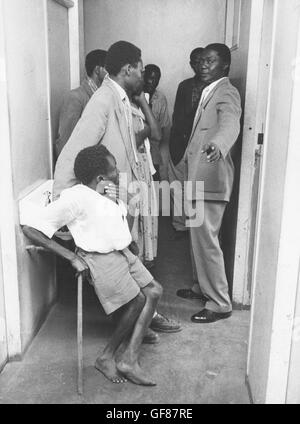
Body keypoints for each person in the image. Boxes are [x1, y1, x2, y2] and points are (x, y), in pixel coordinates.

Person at [53, 40, 181, 334]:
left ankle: (142, 320)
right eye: (141, 68)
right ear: (128, 69)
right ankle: (139, 323)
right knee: (122, 262)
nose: (143, 74)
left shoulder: (120, 97)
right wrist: (66, 201)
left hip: (124, 195)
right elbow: (74, 152)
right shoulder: (103, 100)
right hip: (110, 197)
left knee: (130, 259)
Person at [22, 145, 164, 386]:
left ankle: (129, 355)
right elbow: (31, 228)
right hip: (100, 258)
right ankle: (107, 357)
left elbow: (120, 222)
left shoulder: (106, 192)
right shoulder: (76, 198)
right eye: (114, 169)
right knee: (138, 299)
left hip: (122, 252)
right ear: (100, 176)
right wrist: (70, 257)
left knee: (155, 292)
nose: (118, 171)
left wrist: (127, 230)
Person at [177, 43, 242, 323]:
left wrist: (218, 143)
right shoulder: (208, 91)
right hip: (198, 178)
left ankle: (219, 302)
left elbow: (231, 123)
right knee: (197, 238)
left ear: (224, 66)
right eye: (202, 60)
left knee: (207, 242)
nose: (204, 65)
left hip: (211, 178)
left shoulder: (227, 91)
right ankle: (202, 288)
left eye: (211, 61)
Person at [168, 48, 205, 238]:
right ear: (191, 64)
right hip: (180, 144)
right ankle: (180, 225)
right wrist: (176, 144)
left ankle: (195, 228)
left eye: (203, 61)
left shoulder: (213, 88)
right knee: (178, 187)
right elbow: (177, 117)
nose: (200, 65)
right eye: (196, 62)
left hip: (200, 147)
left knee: (197, 187)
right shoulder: (184, 86)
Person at [55, 49, 107, 158]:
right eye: (108, 69)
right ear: (97, 70)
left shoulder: (102, 96)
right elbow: (65, 141)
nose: (111, 74)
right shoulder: (75, 97)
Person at [143, 64, 170, 181]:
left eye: (155, 79)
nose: (151, 82)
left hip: (154, 152)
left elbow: (164, 132)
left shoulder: (161, 99)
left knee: (156, 184)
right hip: (138, 150)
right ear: (143, 77)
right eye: (149, 77)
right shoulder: (133, 96)